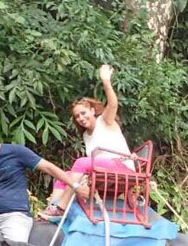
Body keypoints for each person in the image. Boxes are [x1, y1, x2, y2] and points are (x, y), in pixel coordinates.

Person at [41, 63, 134, 219]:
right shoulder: (86, 135)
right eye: (77, 117)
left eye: (83, 113)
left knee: (82, 162)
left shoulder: (104, 121)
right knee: (65, 176)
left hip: (121, 167)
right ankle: (50, 209)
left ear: (92, 111)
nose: (81, 118)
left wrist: (106, 82)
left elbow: (113, 104)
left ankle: (60, 207)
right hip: (104, 171)